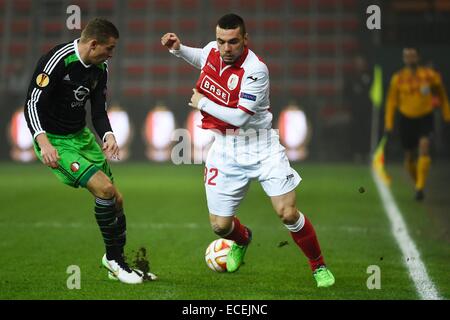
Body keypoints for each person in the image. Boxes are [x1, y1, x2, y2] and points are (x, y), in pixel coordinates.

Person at [162, 13, 335, 287]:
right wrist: (178, 49)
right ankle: (242, 240)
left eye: (233, 42)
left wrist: (202, 103)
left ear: (245, 39)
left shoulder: (256, 69)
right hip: (225, 147)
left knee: (288, 213)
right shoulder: (213, 50)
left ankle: (318, 266)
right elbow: (202, 57)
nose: (226, 48)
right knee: (220, 226)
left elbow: (241, 117)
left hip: (261, 146)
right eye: (221, 41)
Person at [24, 18, 146, 284]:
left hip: (81, 137)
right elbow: (32, 103)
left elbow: (99, 111)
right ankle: (114, 261)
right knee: (104, 190)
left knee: (117, 200)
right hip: (56, 141)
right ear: (93, 44)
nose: (111, 54)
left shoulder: (100, 68)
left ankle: (118, 261)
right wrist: (44, 143)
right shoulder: (57, 60)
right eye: (109, 48)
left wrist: (109, 134)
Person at [384, 47, 450, 201]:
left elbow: (442, 96)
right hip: (406, 119)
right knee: (409, 158)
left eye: (412, 56)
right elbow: (391, 102)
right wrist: (389, 123)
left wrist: (447, 115)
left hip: (425, 117)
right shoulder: (398, 78)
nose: (410, 59)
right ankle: (417, 183)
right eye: (407, 56)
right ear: (403, 59)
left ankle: (420, 187)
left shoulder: (430, 75)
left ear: (418, 57)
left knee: (424, 147)